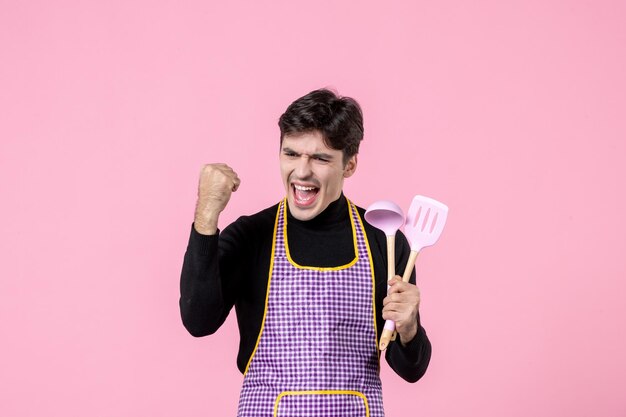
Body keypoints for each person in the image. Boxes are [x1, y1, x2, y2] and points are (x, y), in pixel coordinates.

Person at [179, 88, 431, 416]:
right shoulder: (251, 235)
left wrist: (408, 326)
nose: (301, 171)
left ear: (349, 164)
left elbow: (412, 369)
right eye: (291, 154)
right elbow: (198, 321)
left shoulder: (383, 239)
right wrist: (207, 215)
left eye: (320, 158)